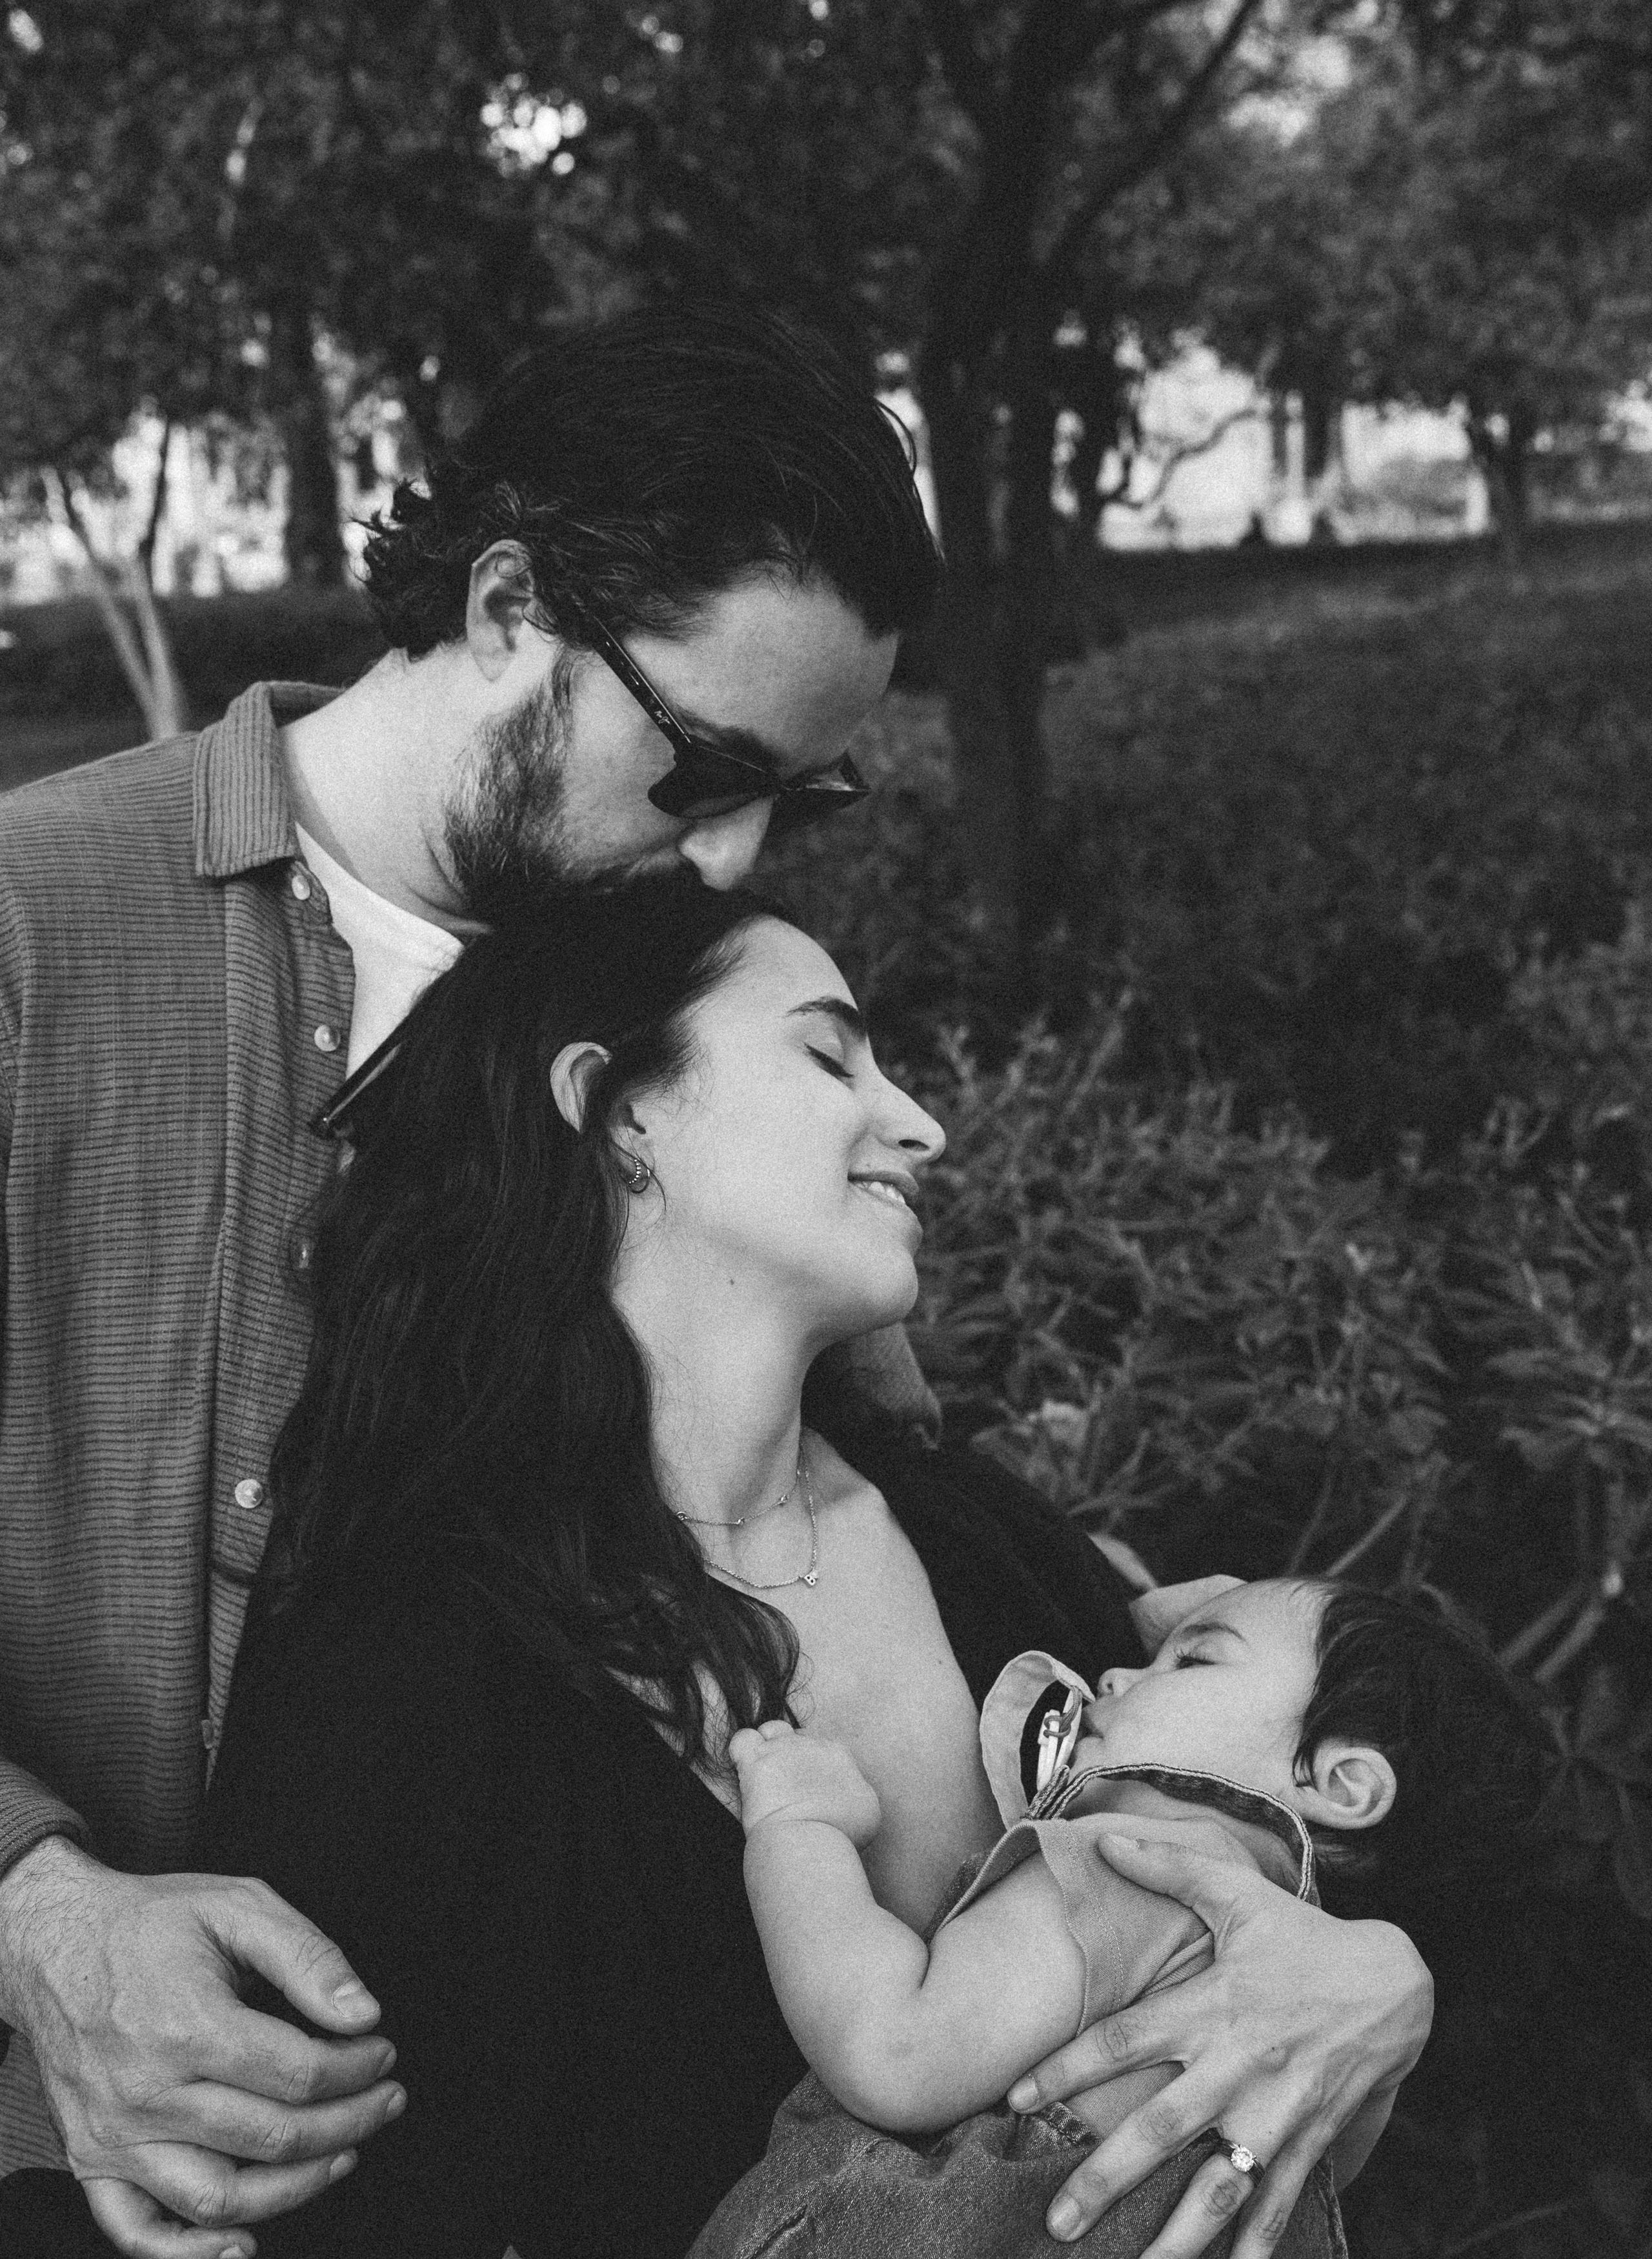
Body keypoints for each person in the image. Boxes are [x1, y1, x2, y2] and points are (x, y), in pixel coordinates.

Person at [0, 302, 943, 2258]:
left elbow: (911, 1544)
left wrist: (1265, 1905)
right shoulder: (34, 935)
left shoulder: (698, 1008)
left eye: (804, 796)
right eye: (700, 764)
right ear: (508, 599)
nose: (739, 853)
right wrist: (41, 1914)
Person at [136, 884, 1427, 2259]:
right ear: (620, 1110)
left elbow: (1319, 1815)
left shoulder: (985, 1546)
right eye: (829, 1056)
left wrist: (1377, 1978)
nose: (919, 1124)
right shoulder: (408, 1656)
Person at [694, 1575, 1549, 2258]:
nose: (1112, 1673)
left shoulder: (1142, 1863)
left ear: (1340, 1783)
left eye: (1193, 1662)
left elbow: (892, 2051)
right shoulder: (1339, 2061)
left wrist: (798, 1829)